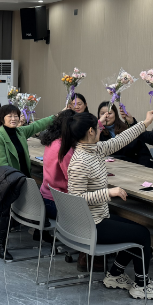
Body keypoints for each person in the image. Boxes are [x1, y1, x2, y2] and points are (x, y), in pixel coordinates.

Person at [62, 109, 153, 300]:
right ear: (91, 131)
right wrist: (109, 192)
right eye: (97, 127)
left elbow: (119, 140)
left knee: (136, 229)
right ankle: (141, 285)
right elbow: (76, 198)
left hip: (98, 217)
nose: (101, 129)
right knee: (142, 234)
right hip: (90, 225)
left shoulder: (94, 149)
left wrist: (145, 122)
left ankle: (115, 274)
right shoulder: (80, 161)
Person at [40, 109, 109, 272]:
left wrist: (99, 123)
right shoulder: (65, 150)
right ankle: (87, 254)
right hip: (58, 203)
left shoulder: (53, 142)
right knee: (96, 206)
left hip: (46, 196)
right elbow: (74, 183)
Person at [0, 104, 55, 258]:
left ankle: (40, 232)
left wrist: (57, 116)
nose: (13, 118)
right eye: (9, 116)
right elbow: (3, 167)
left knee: (41, 195)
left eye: (16, 116)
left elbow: (38, 125)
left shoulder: (20, 132)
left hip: (24, 179)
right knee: (8, 209)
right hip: (9, 181)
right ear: (2, 118)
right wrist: (20, 182)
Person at [97, 102, 153, 166]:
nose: (106, 116)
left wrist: (132, 122)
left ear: (115, 114)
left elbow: (142, 151)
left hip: (131, 166)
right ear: (98, 116)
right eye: (102, 114)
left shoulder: (126, 128)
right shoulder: (96, 133)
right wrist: (98, 124)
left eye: (109, 113)